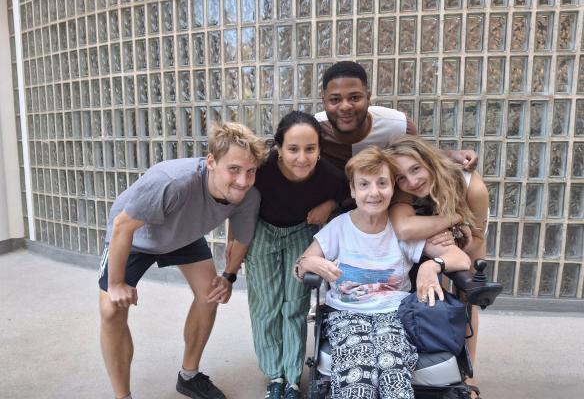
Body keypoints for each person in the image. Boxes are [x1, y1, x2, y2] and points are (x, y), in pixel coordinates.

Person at [98, 123, 268, 399]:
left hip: (184, 234)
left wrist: (228, 277)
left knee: (210, 294)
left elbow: (241, 239)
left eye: (251, 171)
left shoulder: (249, 195)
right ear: (211, 162)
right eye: (234, 169)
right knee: (111, 311)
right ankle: (123, 396)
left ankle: (189, 376)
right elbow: (122, 226)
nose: (243, 180)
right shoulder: (173, 181)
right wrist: (116, 284)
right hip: (137, 236)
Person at [293, 147, 471, 399]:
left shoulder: (402, 231)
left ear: (392, 188)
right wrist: (311, 263)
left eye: (382, 183)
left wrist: (432, 265)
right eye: (364, 184)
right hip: (345, 315)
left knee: (393, 372)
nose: (374, 192)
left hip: (395, 316)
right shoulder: (339, 227)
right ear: (353, 190)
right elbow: (300, 266)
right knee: (358, 377)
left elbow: (461, 258)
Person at [245, 111, 347, 399]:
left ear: (319, 149)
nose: (302, 158)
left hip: (301, 231)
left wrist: (330, 203)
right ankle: (274, 375)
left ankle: (291, 378)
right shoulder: (262, 169)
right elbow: (239, 202)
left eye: (310, 149)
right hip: (263, 230)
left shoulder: (330, 175)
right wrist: (235, 244)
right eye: (293, 149)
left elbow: (347, 194)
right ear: (279, 148)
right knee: (266, 304)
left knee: (295, 306)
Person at [387, 134, 489, 398]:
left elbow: (478, 239)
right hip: (425, 237)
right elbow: (404, 228)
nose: (411, 181)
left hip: (461, 242)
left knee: (467, 293)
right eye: (401, 177)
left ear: (429, 160)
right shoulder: (403, 185)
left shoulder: (471, 186)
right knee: (430, 297)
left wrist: (459, 241)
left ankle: (468, 373)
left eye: (416, 169)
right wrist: (453, 219)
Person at [315, 61, 477, 173]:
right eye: (335, 100)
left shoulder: (398, 126)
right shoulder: (314, 129)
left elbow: (419, 153)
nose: (345, 107)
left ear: (368, 97)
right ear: (324, 102)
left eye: (355, 97)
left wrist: (453, 155)